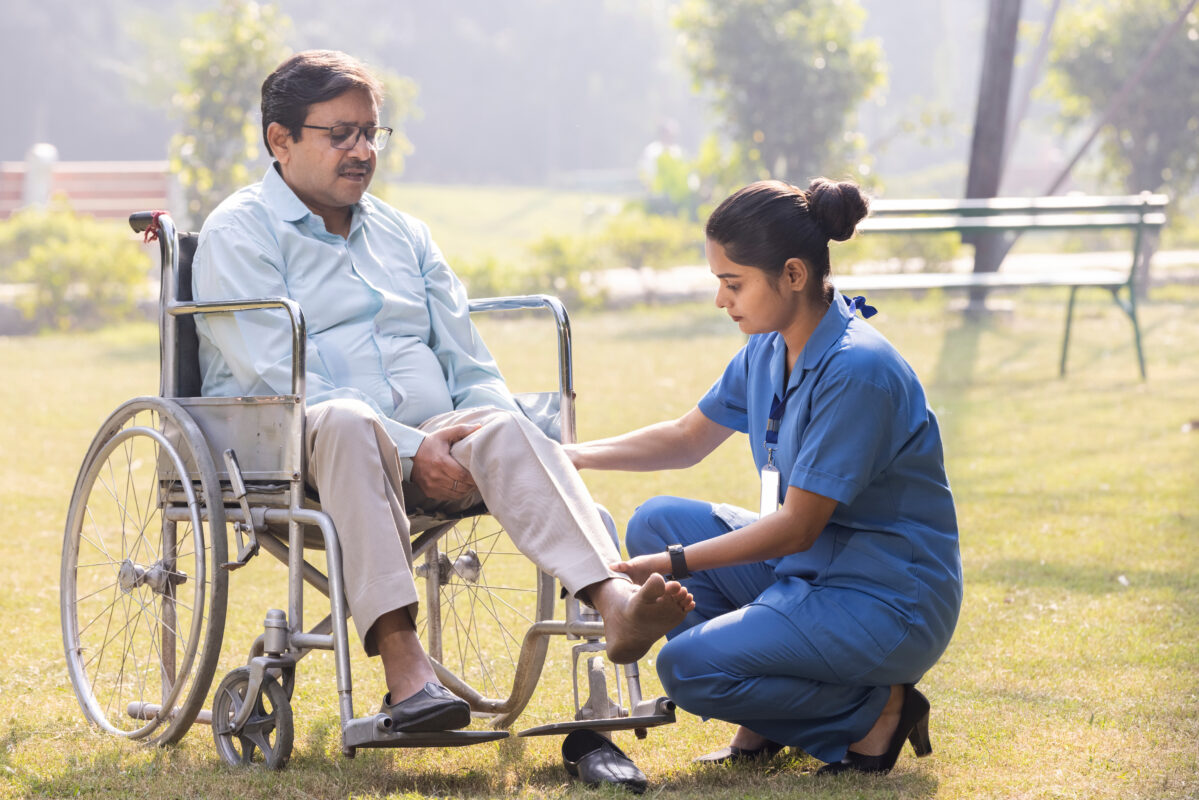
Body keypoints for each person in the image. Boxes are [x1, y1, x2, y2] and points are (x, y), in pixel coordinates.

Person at [191, 49, 693, 734]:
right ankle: (407, 677)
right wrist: (412, 447)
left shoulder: (404, 234)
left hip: (436, 439)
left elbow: (470, 363)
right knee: (342, 417)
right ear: (280, 140)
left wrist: (479, 426)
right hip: (292, 445)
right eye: (340, 133)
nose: (362, 150)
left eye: (371, 132)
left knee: (508, 423)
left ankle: (612, 603)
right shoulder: (239, 232)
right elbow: (278, 378)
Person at [564, 178, 962, 774]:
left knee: (687, 669)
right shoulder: (767, 347)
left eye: (733, 283)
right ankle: (769, 717)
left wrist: (674, 563)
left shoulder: (858, 370)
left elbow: (798, 527)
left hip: (886, 597)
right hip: (816, 570)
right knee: (654, 521)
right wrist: (568, 455)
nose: (722, 301)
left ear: (794, 275)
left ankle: (878, 709)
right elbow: (686, 437)